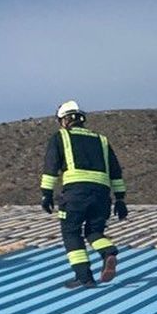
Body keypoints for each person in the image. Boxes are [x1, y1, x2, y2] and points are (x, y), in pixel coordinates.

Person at [40, 100, 128, 289]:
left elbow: (51, 167)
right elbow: (115, 171)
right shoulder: (101, 140)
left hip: (75, 195)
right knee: (94, 232)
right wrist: (120, 199)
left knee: (71, 232)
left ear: (64, 120)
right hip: (101, 196)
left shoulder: (61, 137)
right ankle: (108, 251)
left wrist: (46, 194)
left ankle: (84, 277)